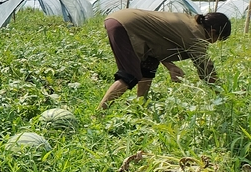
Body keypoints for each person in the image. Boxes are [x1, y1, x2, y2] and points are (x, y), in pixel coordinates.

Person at [98, 9, 231, 110]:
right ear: (213, 32)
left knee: (149, 66)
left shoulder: (191, 23)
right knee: (130, 75)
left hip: (121, 19)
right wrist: (223, 97)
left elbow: (158, 41)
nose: (213, 43)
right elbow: (207, 70)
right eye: (218, 39)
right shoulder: (196, 36)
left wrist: (170, 66)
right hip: (124, 25)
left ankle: (140, 105)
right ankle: (99, 114)